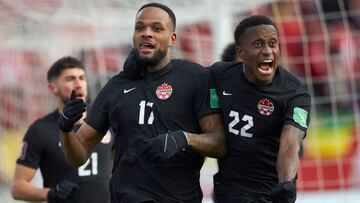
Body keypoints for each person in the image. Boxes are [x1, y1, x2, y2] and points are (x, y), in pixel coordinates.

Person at [58, 3, 226, 203]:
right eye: (140, 28)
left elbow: (219, 143)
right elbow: (78, 155)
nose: (146, 33)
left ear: (172, 38)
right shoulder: (115, 86)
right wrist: (66, 129)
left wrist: (184, 139)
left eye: (156, 28)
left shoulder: (196, 77)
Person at [210, 15, 311, 203]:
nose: (268, 51)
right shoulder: (220, 75)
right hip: (231, 190)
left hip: (272, 191)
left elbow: (290, 143)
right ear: (241, 53)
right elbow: (188, 80)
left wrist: (286, 181)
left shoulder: (295, 94)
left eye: (273, 43)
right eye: (258, 44)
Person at [11, 56, 113, 203]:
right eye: (70, 79)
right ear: (53, 88)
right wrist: (50, 193)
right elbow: (17, 188)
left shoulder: (104, 119)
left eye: (82, 78)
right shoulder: (40, 130)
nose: (79, 84)